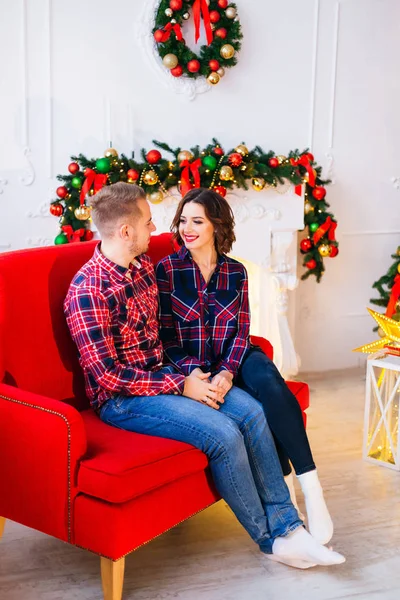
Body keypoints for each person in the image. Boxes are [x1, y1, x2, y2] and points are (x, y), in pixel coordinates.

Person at [64, 182, 344, 569]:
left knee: (253, 414)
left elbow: (172, 334)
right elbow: (109, 376)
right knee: (225, 434)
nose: (158, 230)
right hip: (125, 401)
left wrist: (196, 375)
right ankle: (270, 540)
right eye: (148, 222)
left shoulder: (143, 266)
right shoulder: (88, 291)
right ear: (126, 231)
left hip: (170, 375)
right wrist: (183, 385)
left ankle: (290, 528)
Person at [155, 187, 334, 545]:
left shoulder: (235, 272)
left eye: (197, 221)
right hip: (195, 366)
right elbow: (167, 339)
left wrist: (227, 371)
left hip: (231, 356)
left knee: (268, 377)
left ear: (216, 226)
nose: (187, 228)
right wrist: (196, 372)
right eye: (183, 221)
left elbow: (241, 330)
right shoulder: (167, 271)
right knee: (260, 409)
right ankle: (287, 497)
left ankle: (311, 485)